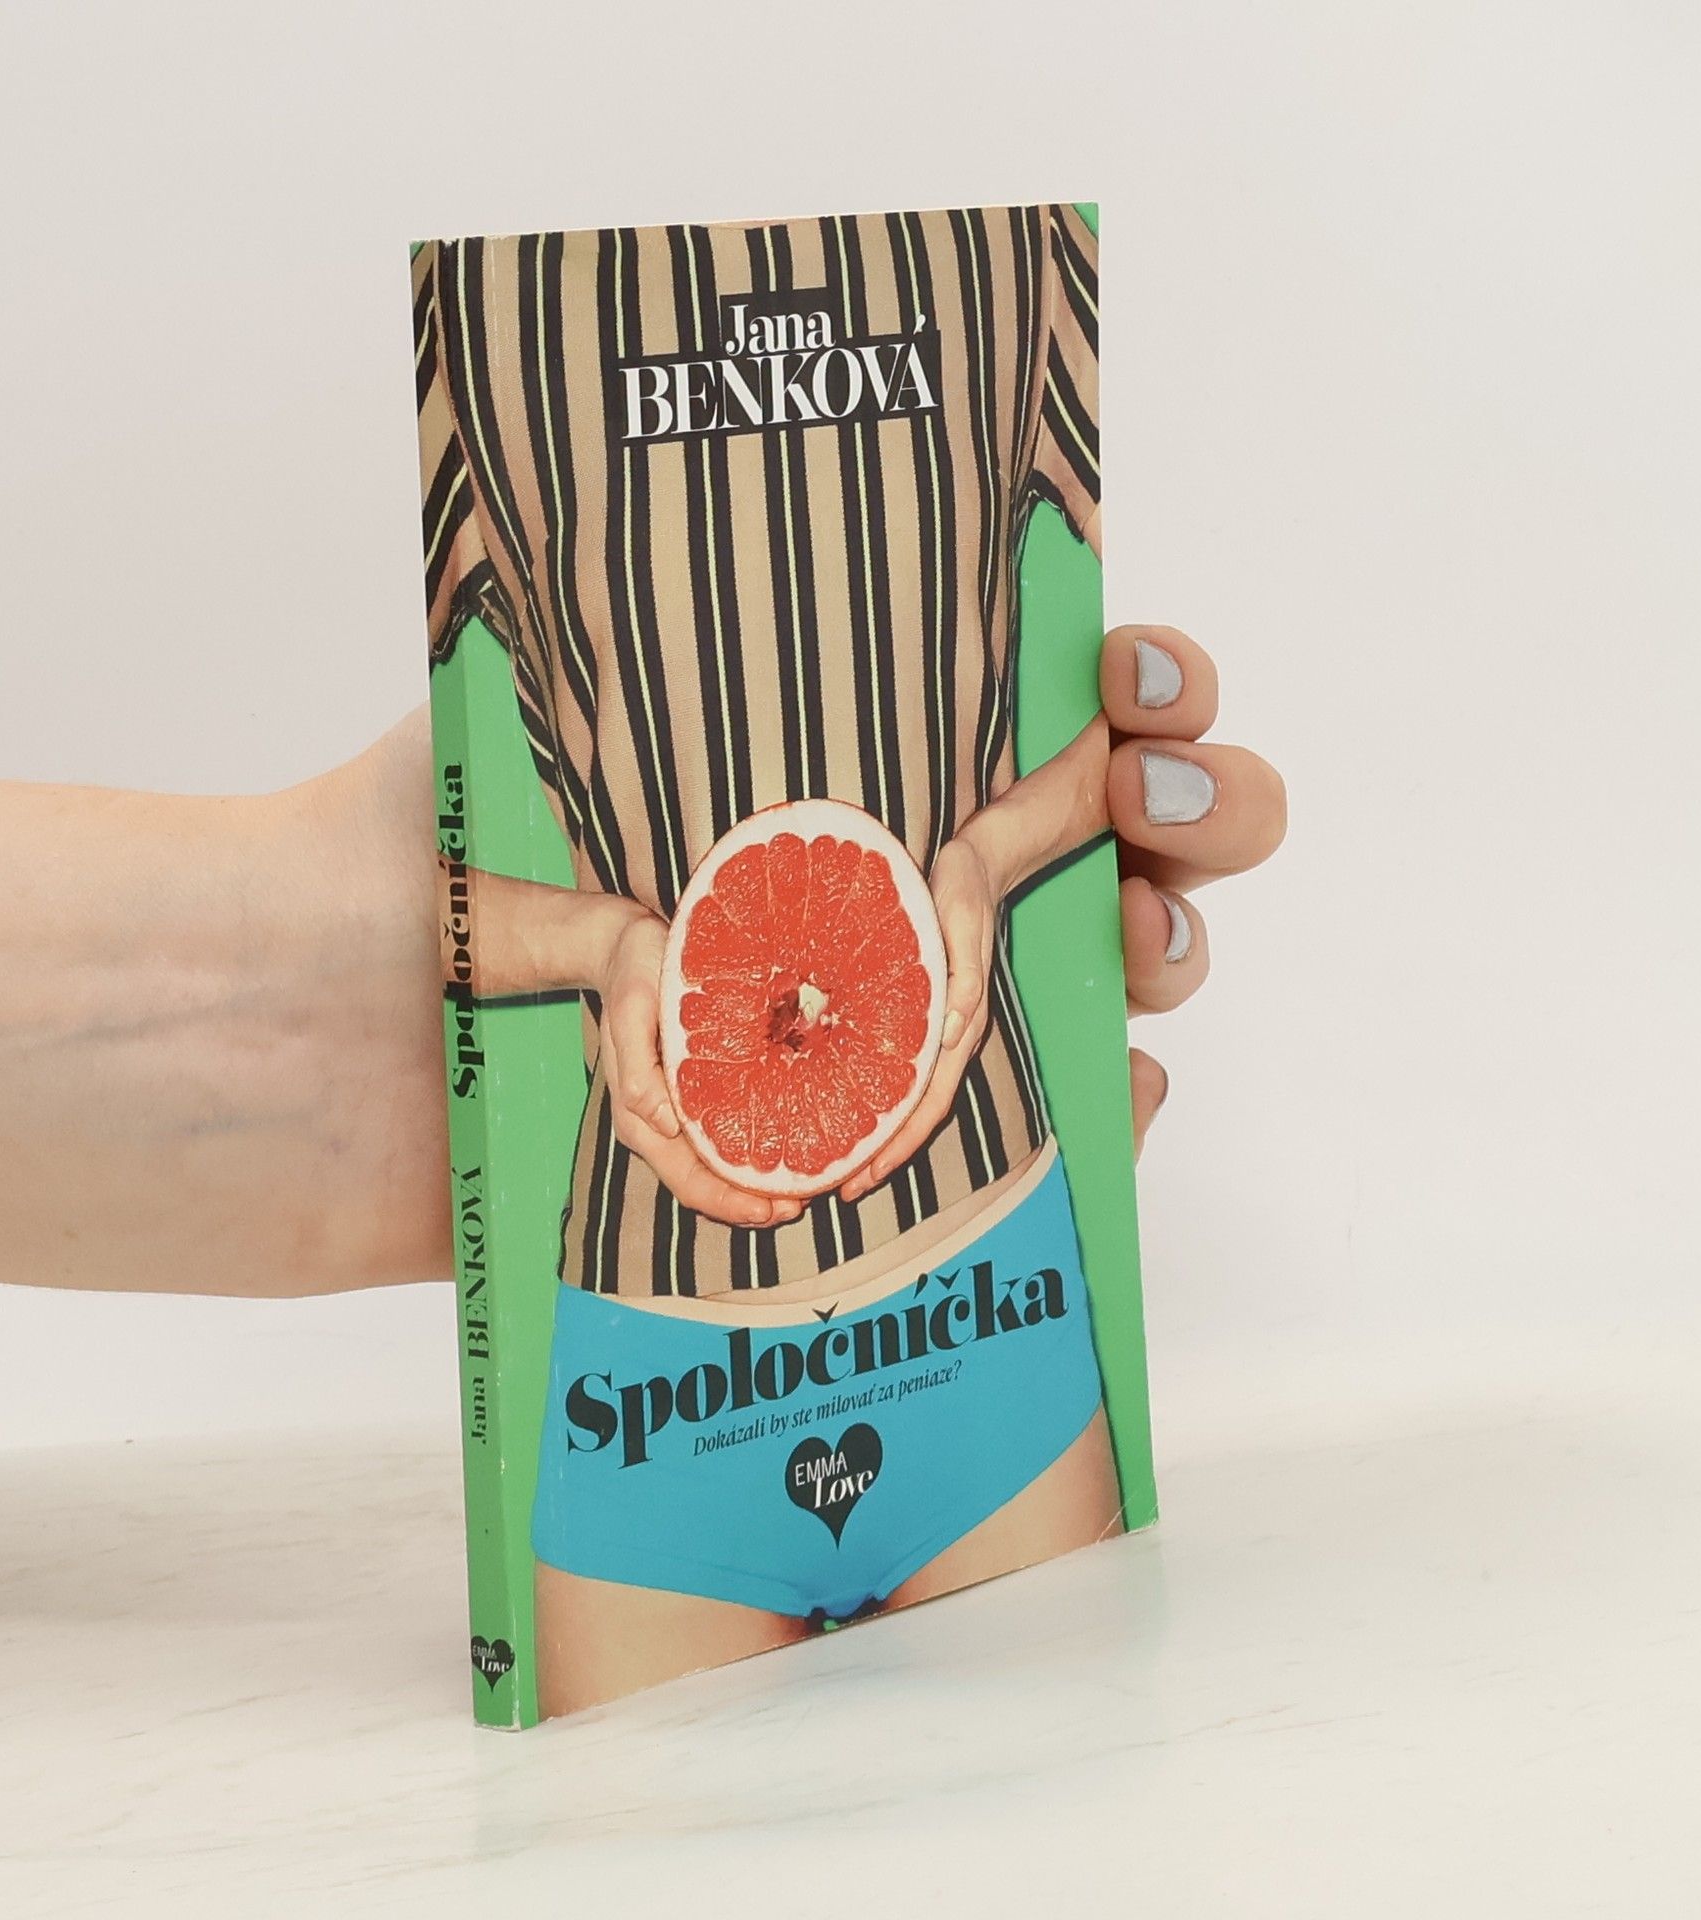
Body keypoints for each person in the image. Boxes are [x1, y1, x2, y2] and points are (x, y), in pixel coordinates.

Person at [411, 208, 1287, 1713]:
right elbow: (386, 896)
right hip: (654, 1378)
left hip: (995, 1310)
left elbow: (1105, 721)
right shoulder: (484, 325)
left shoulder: (1015, 257)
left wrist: (995, 855)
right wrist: (605, 943)